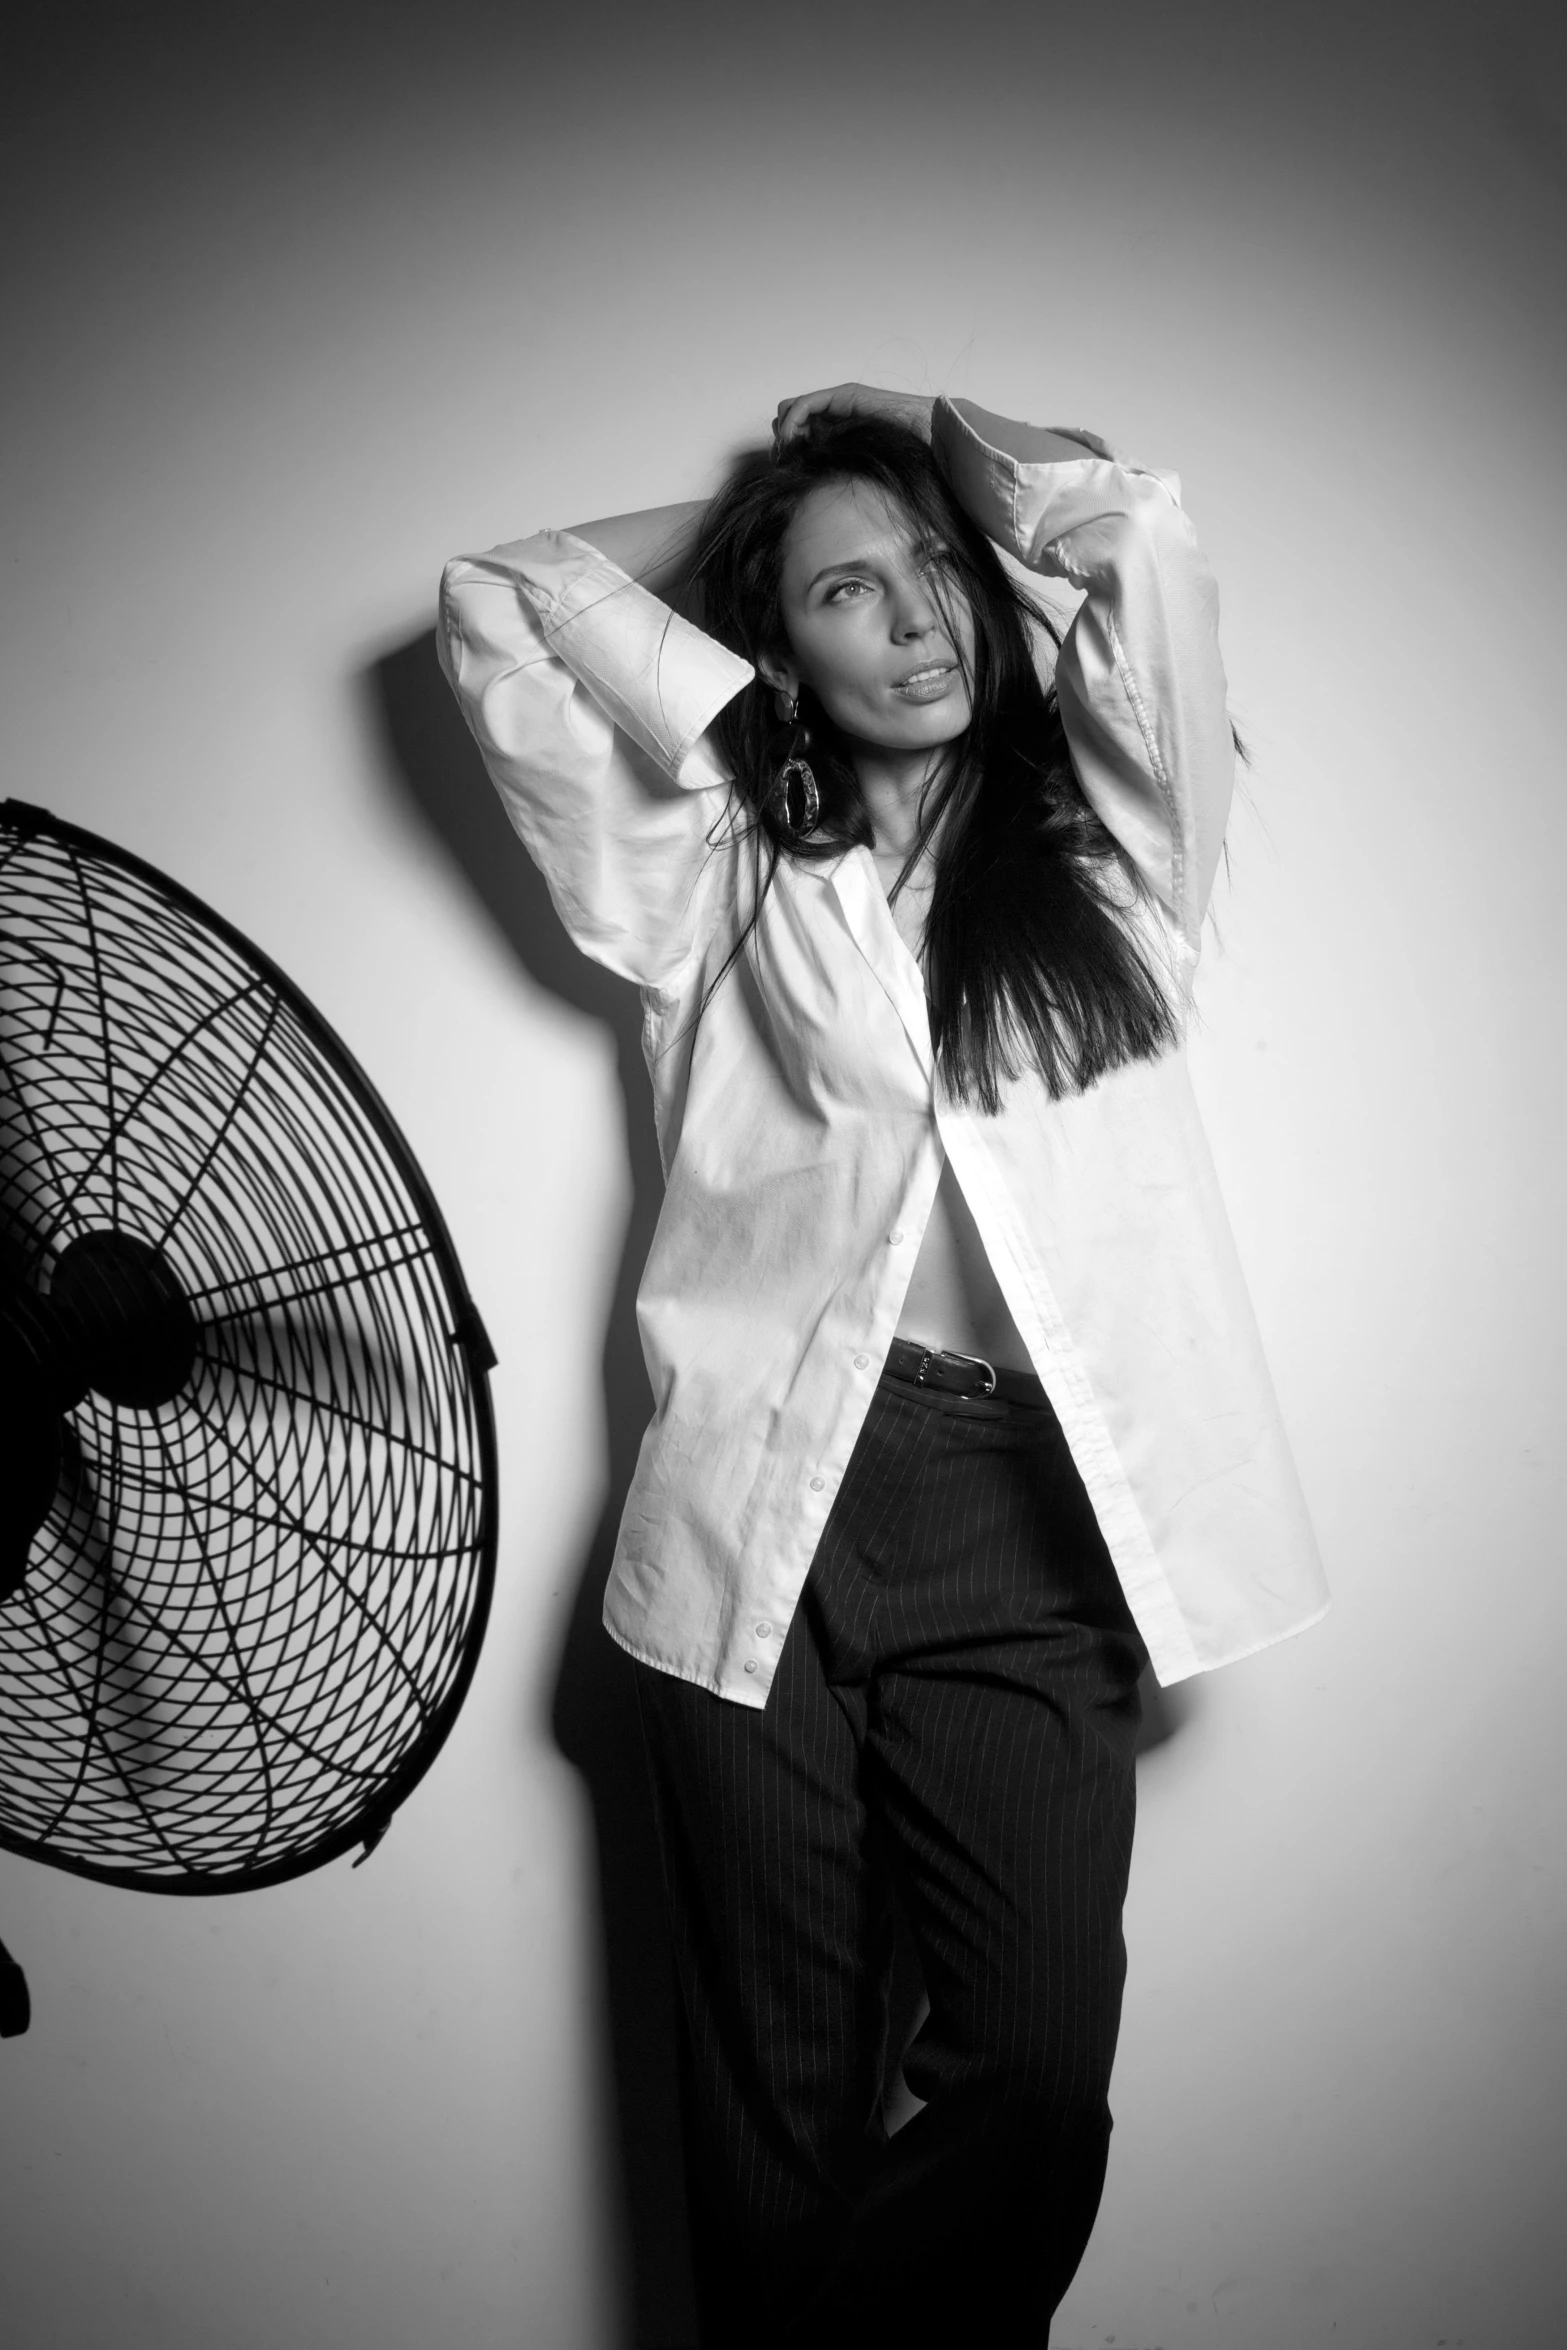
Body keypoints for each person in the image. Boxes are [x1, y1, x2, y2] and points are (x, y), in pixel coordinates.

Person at [438, 382, 1329, 2346]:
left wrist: (942, 469)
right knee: (773, 2109)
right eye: (853, 590)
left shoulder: (1120, 841)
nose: (921, 617)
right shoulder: (704, 872)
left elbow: (1137, 535)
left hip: (1029, 1520)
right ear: (779, 644)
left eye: (938, 568)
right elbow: (498, 599)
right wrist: (752, 607)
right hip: (759, 1506)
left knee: (1023, 2076)